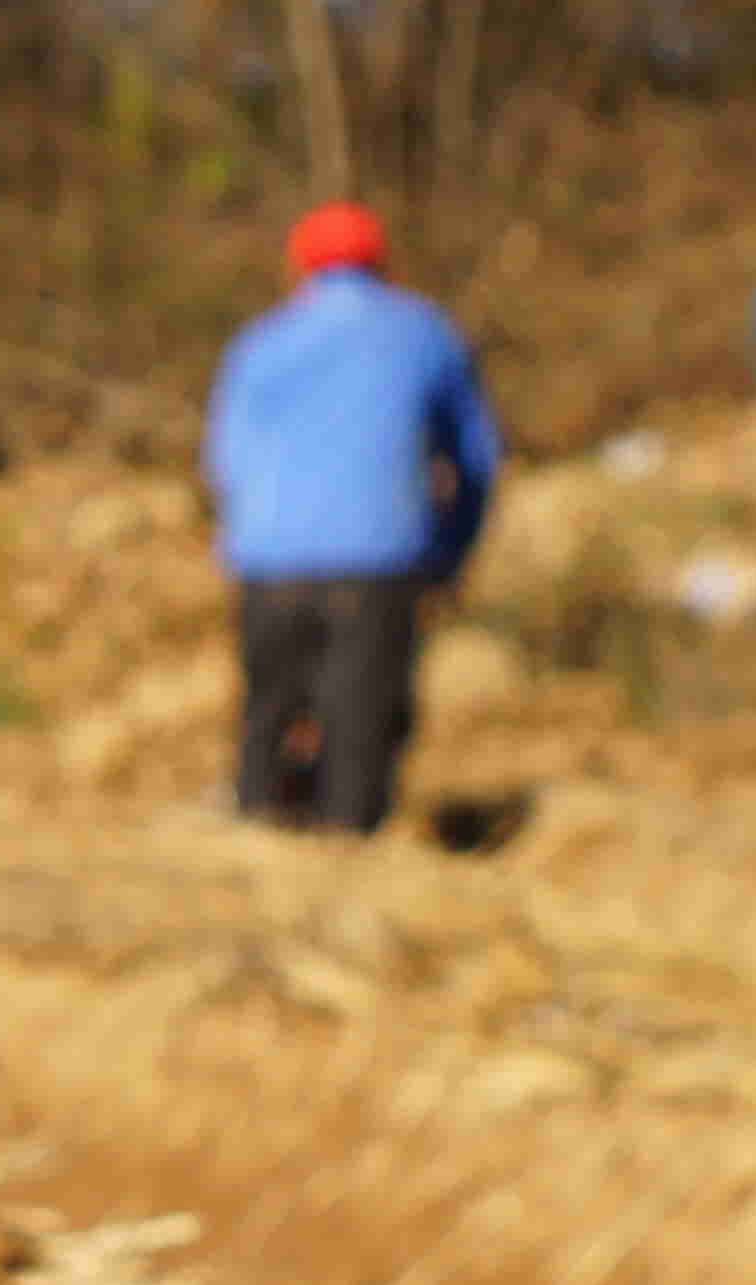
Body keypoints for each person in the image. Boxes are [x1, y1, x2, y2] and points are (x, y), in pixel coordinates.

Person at [200, 202, 502, 837]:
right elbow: (476, 460)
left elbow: (223, 465)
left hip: (270, 567)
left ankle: (257, 835)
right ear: (382, 263)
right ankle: (350, 846)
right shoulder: (424, 333)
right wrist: (447, 555)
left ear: (298, 268)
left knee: (267, 722)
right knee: (362, 734)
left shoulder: (258, 344)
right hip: (379, 566)